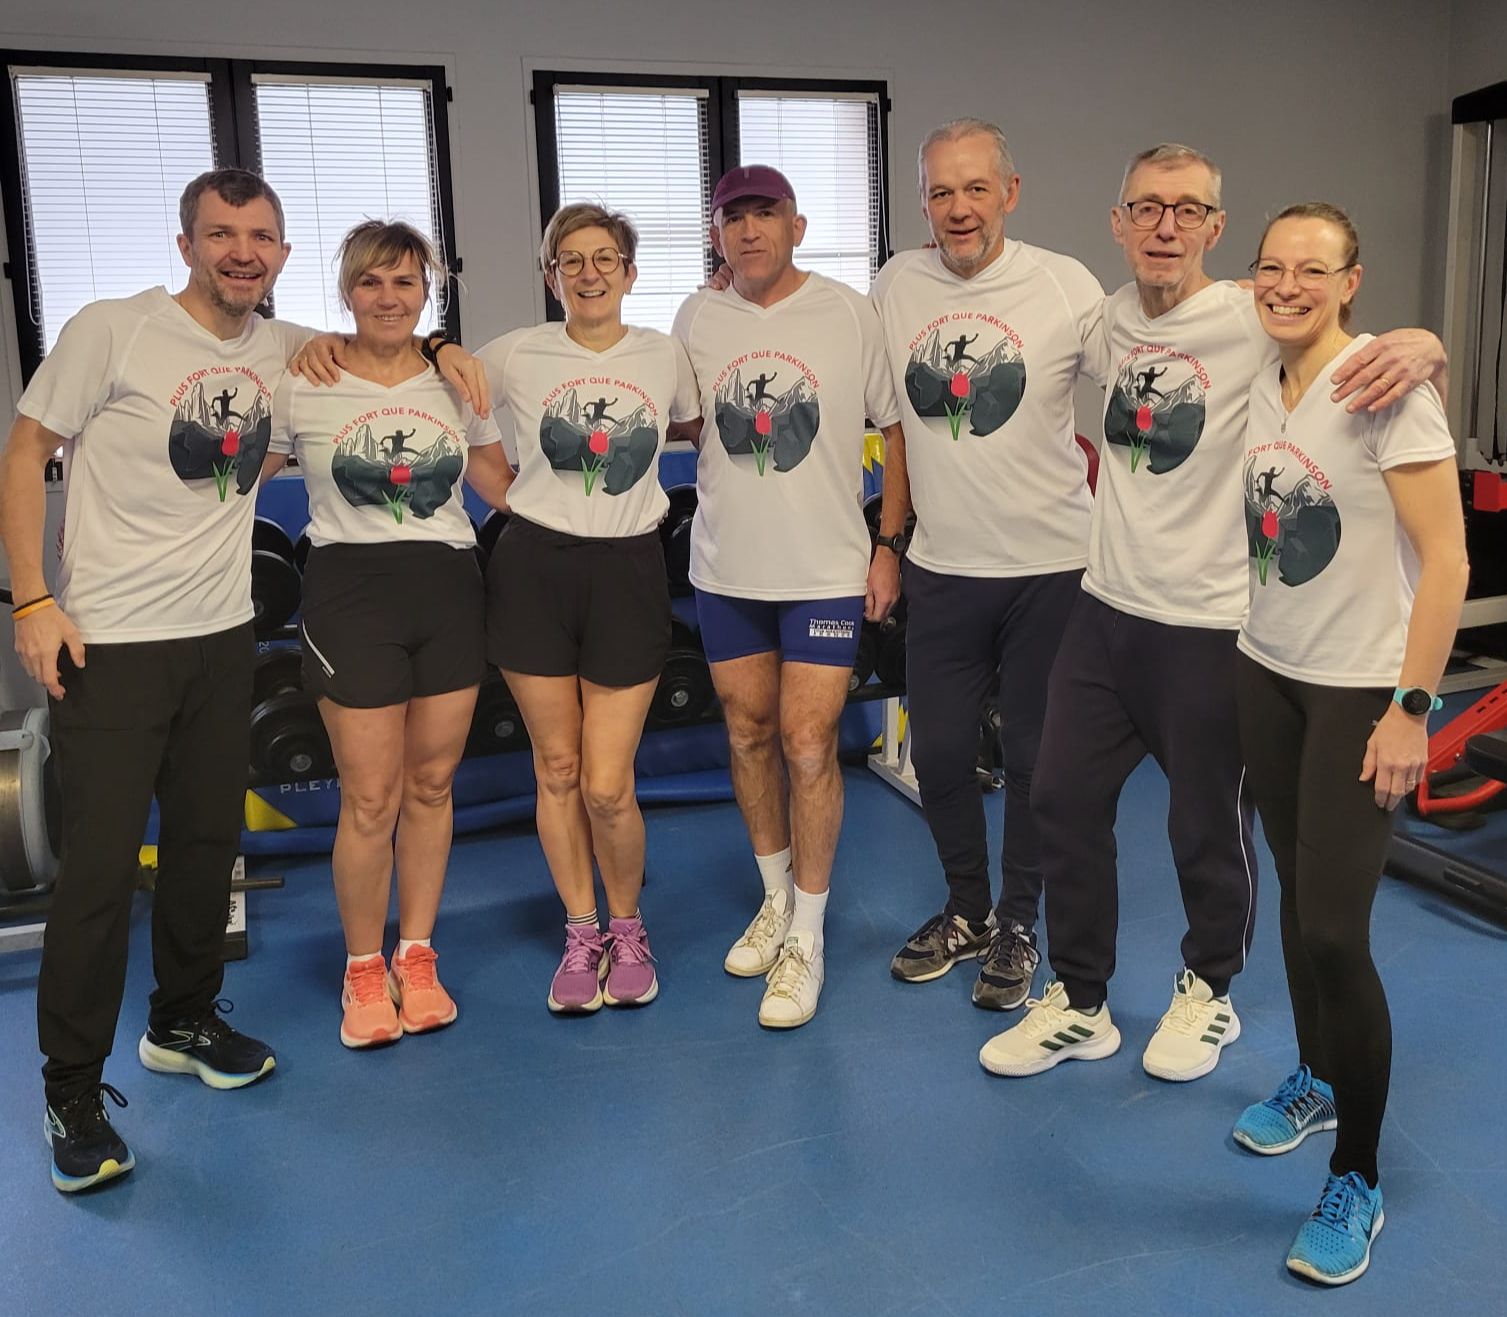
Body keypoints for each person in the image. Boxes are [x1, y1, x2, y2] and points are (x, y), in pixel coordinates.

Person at [979, 146, 1448, 1081]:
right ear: (1116, 222)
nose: (1165, 226)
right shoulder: (1106, 320)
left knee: (1204, 824)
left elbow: (1352, 344)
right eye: (1146, 208)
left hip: (1209, 622)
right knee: (1058, 798)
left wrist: (1424, 342)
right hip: (1104, 606)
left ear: (1214, 230)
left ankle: (1209, 991)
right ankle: (1079, 999)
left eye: (1187, 210)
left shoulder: (1253, 314)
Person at [0, 169, 298, 1192]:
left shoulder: (280, 347)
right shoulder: (111, 330)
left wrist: (437, 347)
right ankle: (71, 1092)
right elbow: (27, 446)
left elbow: (373, 346)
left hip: (222, 638)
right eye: (222, 234)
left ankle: (181, 1022)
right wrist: (33, 601)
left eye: (260, 236)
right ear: (186, 246)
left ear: (282, 255)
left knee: (208, 845)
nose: (241, 252)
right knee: (94, 879)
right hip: (112, 646)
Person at [1231, 203, 1466, 1284]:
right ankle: (1317, 1076)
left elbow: (1447, 561)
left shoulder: (1385, 386)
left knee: (1334, 932)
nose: (1286, 284)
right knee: (1292, 890)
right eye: (1270, 267)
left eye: (1311, 270)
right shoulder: (1256, 369)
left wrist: (1412, 708)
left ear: (1351, 280)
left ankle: (1359, 1177)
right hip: (1268, 667)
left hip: (1360, 691)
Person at [869, 119, 1106, 1010]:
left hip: (1052, 566)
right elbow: (888, 424)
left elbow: (1155, 360)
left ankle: (1017, 920)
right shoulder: (895, 283)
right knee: (936, 752)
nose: (957, 209)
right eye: (939, 192)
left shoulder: (1063, 283)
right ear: (922, 200)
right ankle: (966, 909)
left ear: (1010, 192)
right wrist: (889, 546)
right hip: (943, 565)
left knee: (1039, 760)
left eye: (975, 189)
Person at [266, 220, 510, 1048]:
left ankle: (418, 950)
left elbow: (501, 487)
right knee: (370, 797)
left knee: (431, 786)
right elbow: (229, 485)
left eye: (405, 282)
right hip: (351, 594)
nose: (388, 297)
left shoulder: (454, 382)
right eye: (371, 282)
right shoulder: (305, 378)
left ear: (425, 293)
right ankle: (363, 967)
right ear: (346, 290)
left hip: (447, 587)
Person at [674, 165, 905, 1028]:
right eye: (732, 218)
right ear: (715, 234)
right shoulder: (696, 314)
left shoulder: (848, 311)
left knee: (809, 745)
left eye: (764, 215)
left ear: (796, 226)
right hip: (726, 568)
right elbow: (689, 422)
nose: (749, 231)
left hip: (825, 571)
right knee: (746, 732)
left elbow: (894, 428)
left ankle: (807, 933)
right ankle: (773, 897)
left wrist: (887, 546)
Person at [472, 203, 698, 1014]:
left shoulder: (665, 355)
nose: (590, 272)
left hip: (629, 568)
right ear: (551, 275)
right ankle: (580, 930)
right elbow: (441, 396)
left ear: (630, 272)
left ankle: (627, 924)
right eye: (572, 260)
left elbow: (706, 430)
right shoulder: (515, 352)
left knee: (606, 782)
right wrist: (512, 500)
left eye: (605, 258)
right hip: (533, 568)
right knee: (557, 768)